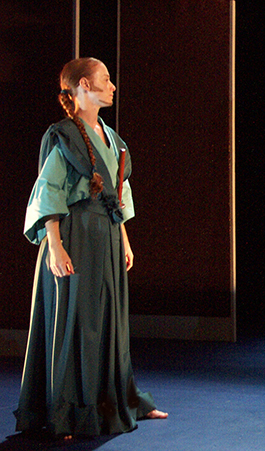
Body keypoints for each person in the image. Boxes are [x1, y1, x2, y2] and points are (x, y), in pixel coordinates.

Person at [15, 57, 167, 438]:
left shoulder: (111, 137)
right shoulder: (64, 136)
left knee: (110, 322)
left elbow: (118, 192)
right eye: (105, 79)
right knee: (77, 322)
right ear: (84, 85)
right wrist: (54, 245)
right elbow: (48, 189)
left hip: (107, 237)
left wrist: (124, 239)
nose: (112, 86)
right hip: (76, 235)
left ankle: (119, 400)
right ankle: (67, 413)